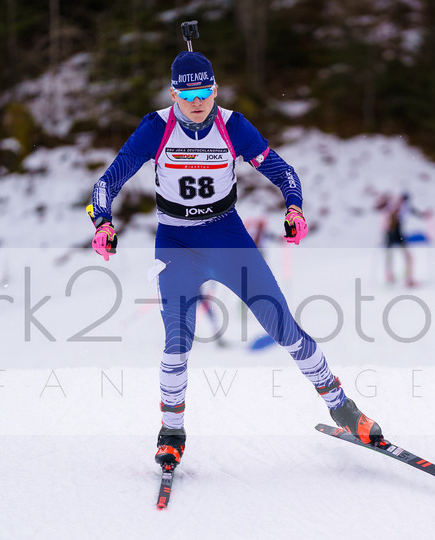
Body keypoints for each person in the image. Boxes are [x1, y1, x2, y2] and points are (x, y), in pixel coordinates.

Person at [88, 49, 383, 476]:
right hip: (176, 245)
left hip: (228, 239)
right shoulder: (156, 128)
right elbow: (107, 181)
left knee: (282, 325)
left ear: (214, 89)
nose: (197, 101)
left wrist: (295, 209)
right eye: (187, 92)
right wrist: (102, 222)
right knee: (177, 341)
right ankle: (171, 435)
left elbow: (284, 172)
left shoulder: (233, 125)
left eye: (204, 90)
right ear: (173, 93)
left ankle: (345, 410)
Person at [381, 192, 431, 287]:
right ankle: (405, 279)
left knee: (393, 257)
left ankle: (392, 278)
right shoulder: (399, 208)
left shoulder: (394, 207)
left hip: (392, 237)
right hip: (396, 237)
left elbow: (416, 213)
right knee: (406, 258)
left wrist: (424, 215)